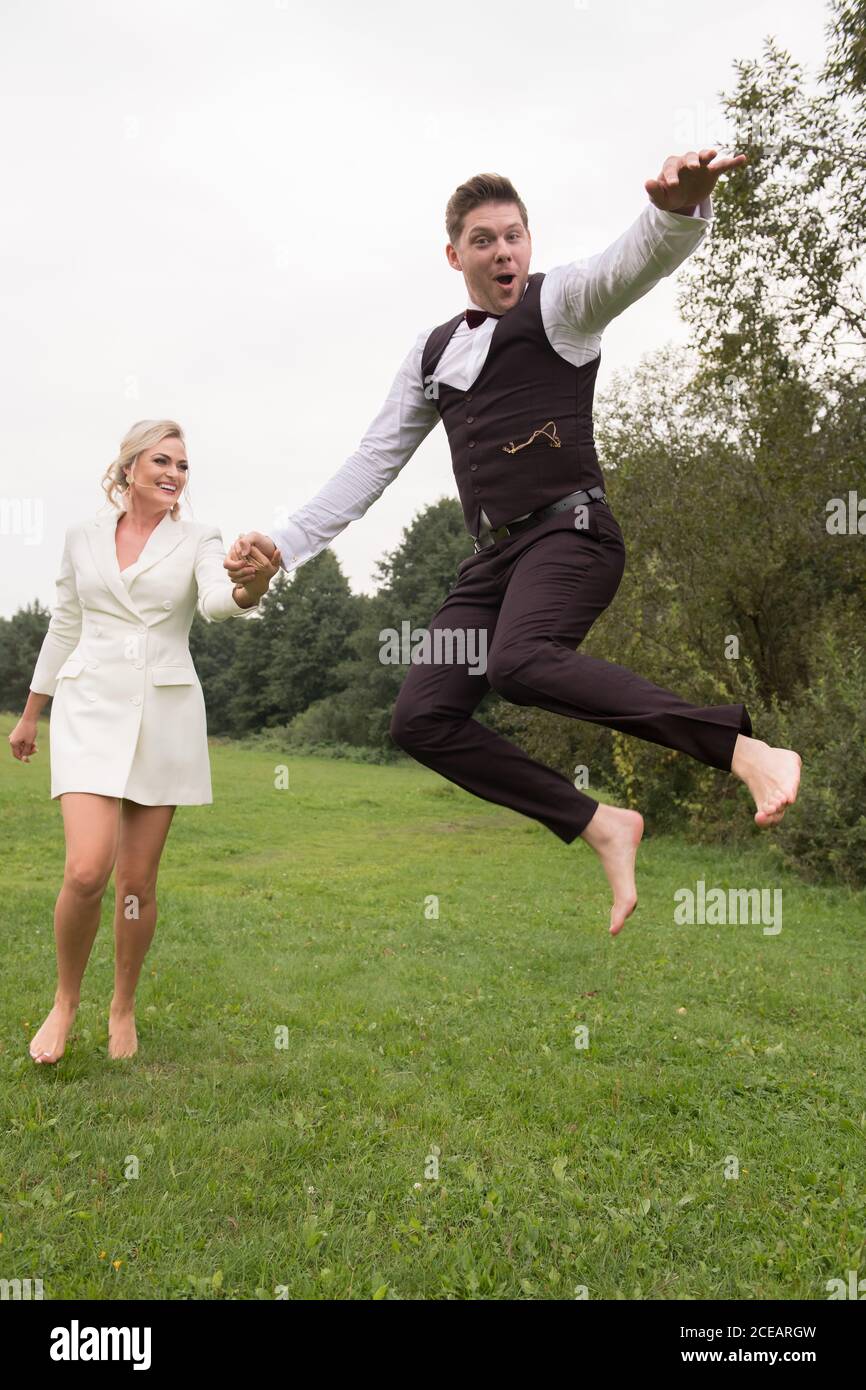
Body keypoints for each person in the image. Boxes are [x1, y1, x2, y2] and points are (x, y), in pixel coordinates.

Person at [225, 151, 801, 937]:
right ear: (453, 254)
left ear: (530, 243)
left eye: (515, 237)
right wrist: (285, 544)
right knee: (420, 719)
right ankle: (602, 823)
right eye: (485, 240)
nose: (504, 253)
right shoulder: (432, 355)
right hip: (491, 560)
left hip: (573, 532)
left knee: (520, 662)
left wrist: (678, 212)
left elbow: (629, 265)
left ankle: (740, 749)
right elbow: (372, 463)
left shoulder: (560, 304)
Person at [7, 419, 281, 1062]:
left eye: (183, 466)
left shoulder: (200, 539)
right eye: (162, 461)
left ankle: (122, 1006)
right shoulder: (82, 538)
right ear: (129, 468)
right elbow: (63, 625)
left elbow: (218, 599)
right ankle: (65, 1001)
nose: (175, 475)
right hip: (88, 707)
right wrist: (29, 714)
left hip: (164, 716)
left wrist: (254, 584)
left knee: (135, 884)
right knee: (84, 869)